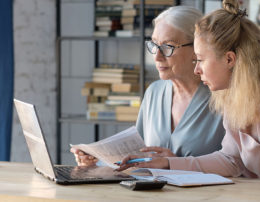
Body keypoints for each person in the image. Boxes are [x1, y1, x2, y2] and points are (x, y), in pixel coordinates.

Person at [117, 0, 260, 199]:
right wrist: (169, 164)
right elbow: (231, 160)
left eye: (200, 60)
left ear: (229, 59)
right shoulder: (230, 89)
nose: (196, 69)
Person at [71, 6, 225, 166]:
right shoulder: (154, 92)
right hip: (154, 190)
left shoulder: (223, 96)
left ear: (196, 48)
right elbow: (138, 156)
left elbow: (237, 165)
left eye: (167, 47)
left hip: (207, 191)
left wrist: (176, 163)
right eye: (154, 44)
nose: (156, 57)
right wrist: (96, 162)